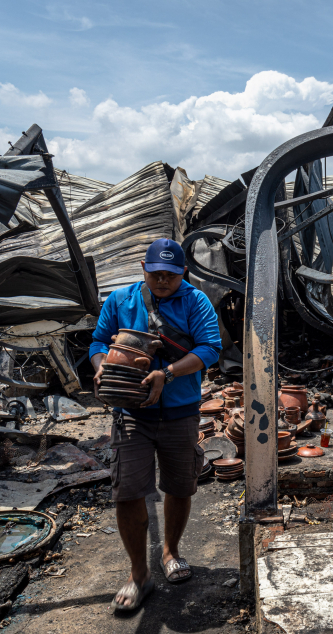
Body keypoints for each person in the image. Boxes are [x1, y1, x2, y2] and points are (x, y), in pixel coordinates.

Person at [89, 238, 221, 612]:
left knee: (180, 486)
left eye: (171, 275)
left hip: (180, 412)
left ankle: (171, 552)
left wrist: (167, 372)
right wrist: (101, 368)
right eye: (155, 274)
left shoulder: (196, 301)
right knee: (128, 491)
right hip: (132, 416)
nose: (162, 281)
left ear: (184, 273)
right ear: (143, 270)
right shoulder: (120, 300)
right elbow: (99, 341)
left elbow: (210, 348)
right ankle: (138, 574)